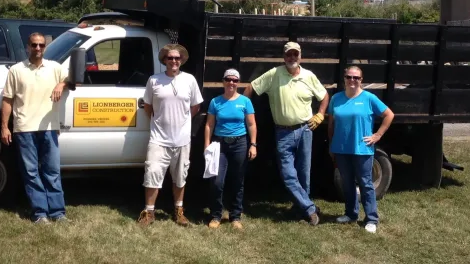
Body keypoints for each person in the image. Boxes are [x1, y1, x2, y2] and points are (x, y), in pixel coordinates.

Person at [243, 42, 329, 226]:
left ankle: (301, 210)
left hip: (306, 129)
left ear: (300, 56)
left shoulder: (308, 76)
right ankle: (310, 208)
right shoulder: (274, 74)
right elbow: (250, 88)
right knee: (288, 174)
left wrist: (320, 114)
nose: (292, 58)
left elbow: (324, 96)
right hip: (283, 132)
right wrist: (242, 110)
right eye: (288, 55)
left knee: (304, 173)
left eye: (295, 54)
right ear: (284, 56)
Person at [0, 32, 70, 223]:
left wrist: (61, 84)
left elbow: (74, 81)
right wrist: (5, 127)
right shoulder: (16, 70)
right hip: (24, 128)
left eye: (40, 45)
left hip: (49, 127)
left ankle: (58, 212)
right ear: (27, 47)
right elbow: (7, 99)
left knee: (52, 171)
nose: (37, 48)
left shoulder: (55, 68)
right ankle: (40, 213)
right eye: (34, 45)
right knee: (31, 172)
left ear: (45, 47)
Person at [137, 44, 204, 227]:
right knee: (152, 174)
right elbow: (148, 107)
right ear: (164, 60)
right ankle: (149, 212)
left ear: (181, 60)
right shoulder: (154, 81)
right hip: (158, 138)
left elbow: (195, 106)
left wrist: (183, 121)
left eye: (177, 58)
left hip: (182, 139)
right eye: (170, 58)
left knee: (180, 176)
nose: (174, 61)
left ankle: (179, 211)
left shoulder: (189, 80)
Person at [327, 65, 394, 234]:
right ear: (344, 79)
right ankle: (351, 214)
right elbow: (331, 123)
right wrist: (331, 144)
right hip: (341, 148)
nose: (352, 80)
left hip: (362, 149)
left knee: (365, 184)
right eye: (349, 77)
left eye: (356, 78)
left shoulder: (369, 98)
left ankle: (371, 218)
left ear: (361, 80)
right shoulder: (336, 99)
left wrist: (377, 135)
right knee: (347, 183)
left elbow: (389, 115)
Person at [204, 68, 257, 230]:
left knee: (237, 180)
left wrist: (253, 144)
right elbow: (209, 124)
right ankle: (216, 215)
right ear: (223, 81)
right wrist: (206, 145)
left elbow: (251, 124)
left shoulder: (245, 102)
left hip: (240, 144)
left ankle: (235, 216)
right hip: (219, 145)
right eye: (228, 79)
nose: (231, 83)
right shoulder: (215, 102)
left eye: (234, 80)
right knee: (217, 181)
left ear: (238, 83)